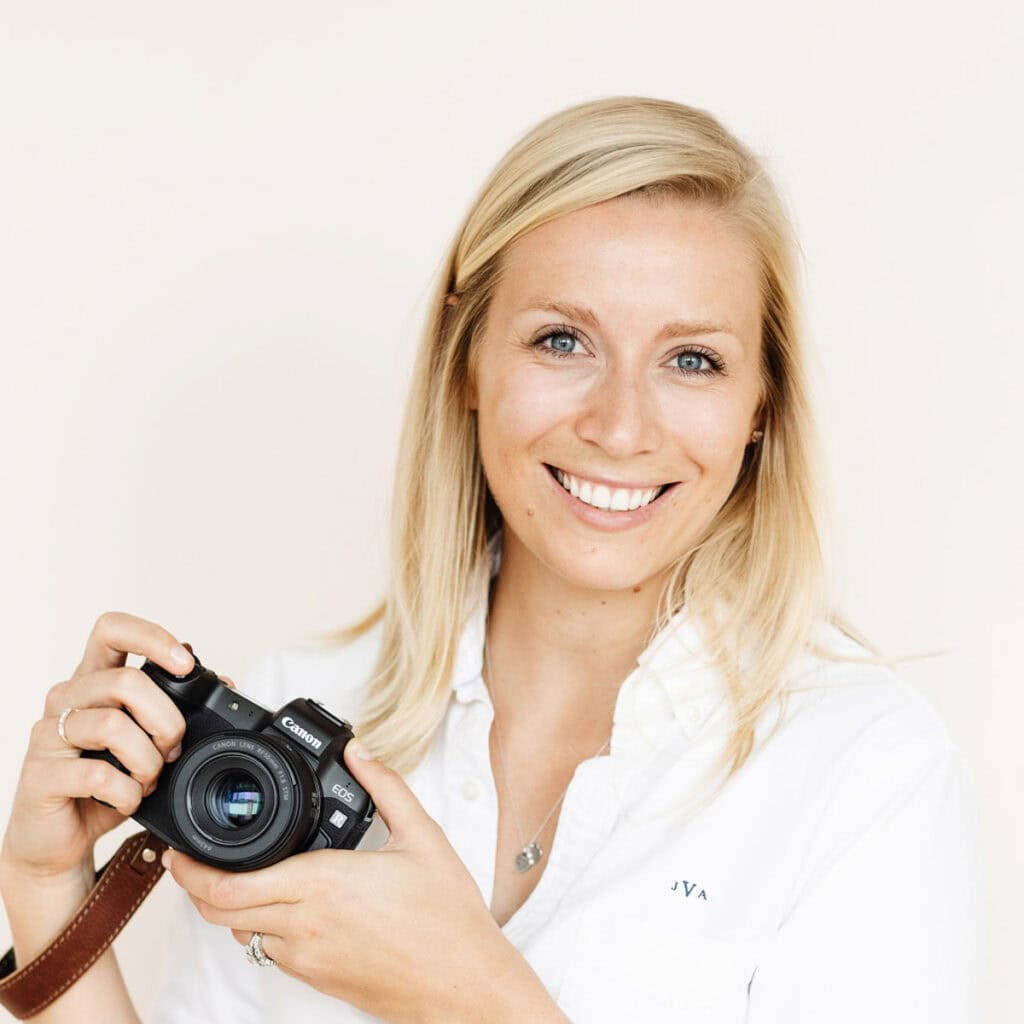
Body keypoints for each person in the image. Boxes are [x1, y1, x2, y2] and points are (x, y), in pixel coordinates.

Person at [0, 96, 984, 1023]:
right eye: (562, 340)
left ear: (759, 404)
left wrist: (470, 993)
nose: (620, 425)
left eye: (692, 360)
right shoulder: (301, 714)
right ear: (469, 363)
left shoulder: (861, 771)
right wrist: (47, 892)